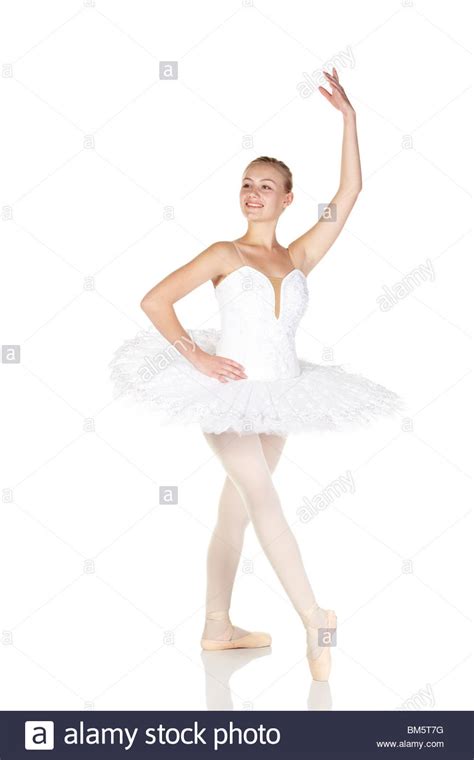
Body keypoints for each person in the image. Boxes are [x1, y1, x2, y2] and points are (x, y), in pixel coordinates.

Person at [109, 68, 403, 680]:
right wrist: (196, 355)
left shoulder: (297, 257)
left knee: (236, 510)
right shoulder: (225, 253)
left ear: (288, 199)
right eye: (247, 184)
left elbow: (349, 195)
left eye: (266, 186)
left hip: (281, 396)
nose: (253, 193)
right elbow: (155, 301)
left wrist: (350, 120)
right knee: (264, 499)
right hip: (226, 396)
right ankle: (315, 618)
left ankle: (218, 627)